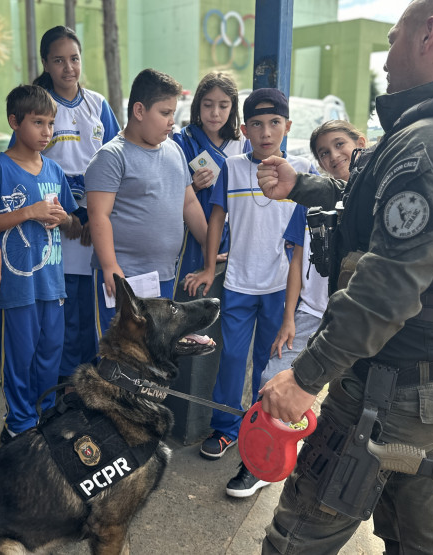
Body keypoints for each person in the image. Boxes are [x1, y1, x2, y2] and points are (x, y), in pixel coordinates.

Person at [255, 0, 433, 552]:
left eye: (395, 35)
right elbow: (378, 208)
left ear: (430, 34)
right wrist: (301, 185)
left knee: (298, 537)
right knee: (418, 536)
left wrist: (305, 378)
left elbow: (386, 289)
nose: (386, 52)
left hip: (389, 391)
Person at [224, 121, 364, 499]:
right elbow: (297, 261)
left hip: (357, 322)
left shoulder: (373, 202)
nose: (334, 156)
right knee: (272, 380)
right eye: (324, 152)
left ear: (361, 145)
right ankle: (258, 462)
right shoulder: (310, 200)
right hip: (311, 313)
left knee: (351, 401)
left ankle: (341, 476)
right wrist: (289, 317)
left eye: (340, 146)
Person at [184, 89, 316, 469]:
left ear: (287, 126)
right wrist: (210, 267)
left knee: (269, 359)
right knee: (232, 356)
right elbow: (216, 219)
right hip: (240, 283)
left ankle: (264, 426)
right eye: (256, 124)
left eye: (275, 123)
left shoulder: (302, 172)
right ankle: (226, 426)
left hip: (280, 288)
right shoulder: (234, 167)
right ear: (243, 129)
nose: (266, 132)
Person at [86, 68, 207, 339]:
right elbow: (98, 215)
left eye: (173, 114)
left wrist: (211, 246)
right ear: (139, 111)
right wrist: (110, 267)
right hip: (122, 281)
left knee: (154, 352)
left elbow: (188, 203)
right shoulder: (111, 156)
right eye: (165, 113)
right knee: (119, 354)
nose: (171, 122)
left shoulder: (174, 150)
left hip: (162, 277)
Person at [0, 84, 79, 443]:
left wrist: (61, 220)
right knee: (20, 359)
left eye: (51, 123)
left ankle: (45, 415)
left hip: (52, 284)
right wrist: (29, 212)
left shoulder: (54, 171)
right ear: (14, 121)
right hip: (16, 287)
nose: (46, 132)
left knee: (49, 355)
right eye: (37, 122)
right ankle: (19, 423)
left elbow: (70, 218)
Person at [31, 26, 121, 380]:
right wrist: (68, 216)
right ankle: (64, 387)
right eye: (59, 60)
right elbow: (28, 164)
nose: (68, 68)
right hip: (54, 223)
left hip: (94, 220)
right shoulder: (38, 104)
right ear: (46, 63)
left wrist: (90, 216)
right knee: (61, 310)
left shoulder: (98, 104)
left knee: (91, 308)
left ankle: (90, 384)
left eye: (74, 59)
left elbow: (117, 159)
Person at [172, 71, 250, 295]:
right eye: (208, 105)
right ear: (197, 105)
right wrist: (193, 186)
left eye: (223, 106)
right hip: (191, 236)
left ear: (233, 108)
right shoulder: (182, 141)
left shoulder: (243, 143)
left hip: (232, 235)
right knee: (190, 293)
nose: (215, 113)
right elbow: (169, 196)